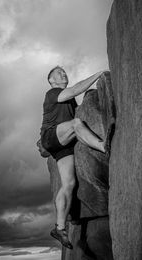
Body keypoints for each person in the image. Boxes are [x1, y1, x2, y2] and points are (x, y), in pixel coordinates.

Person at [39, 66, 107, 249]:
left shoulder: (70, 102)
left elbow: (77, 103)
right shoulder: (53, 93)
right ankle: (102, 145)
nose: (64, 74)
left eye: (65, 72)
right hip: (51, 135)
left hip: (62, 146)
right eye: (59, 73)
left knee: (69, 184)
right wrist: (99, 74)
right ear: (52, 80)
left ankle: (59, 228)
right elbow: (76, 89)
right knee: (76, 124)